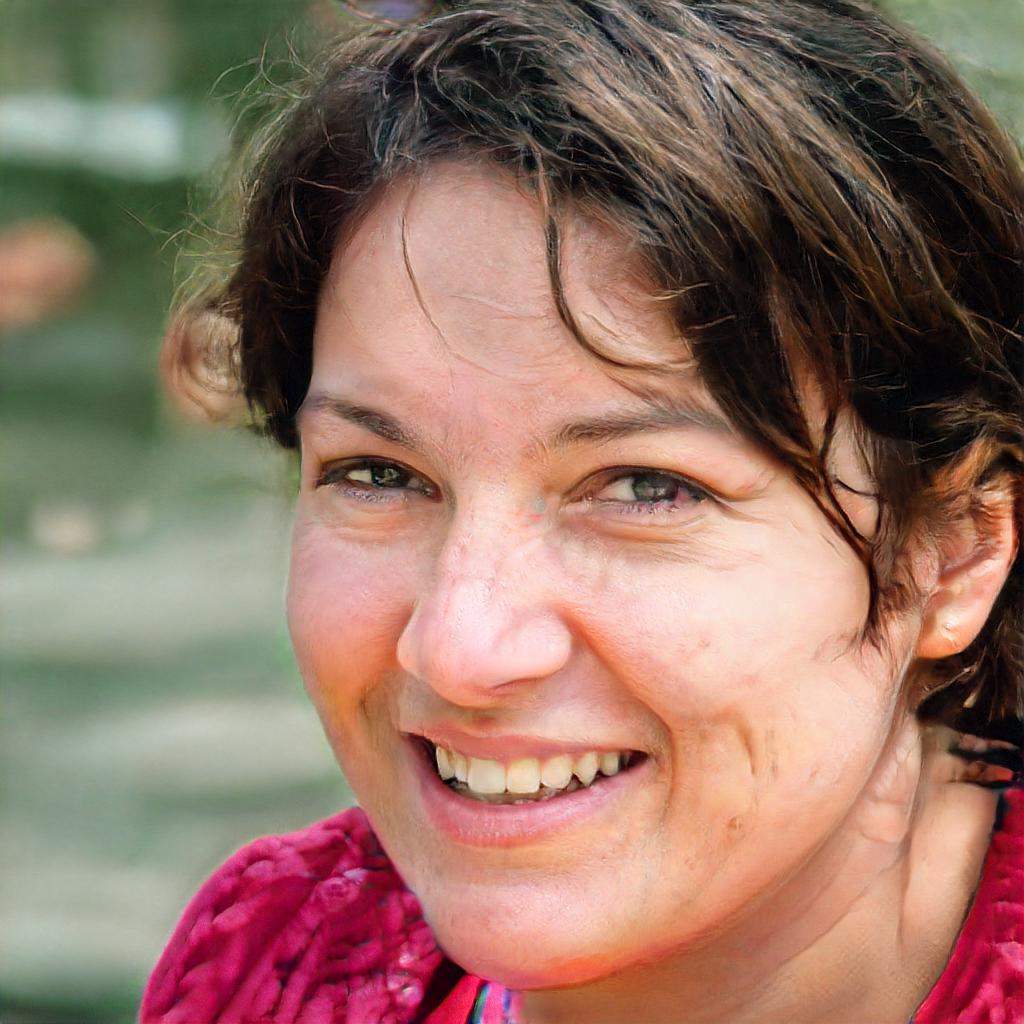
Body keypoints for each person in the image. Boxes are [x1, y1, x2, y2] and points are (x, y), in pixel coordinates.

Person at [141, 1, 1023, 1021]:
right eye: (379, 473)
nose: (459, 649)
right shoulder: (274, 963)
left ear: (953, 553)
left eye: (647, 487)